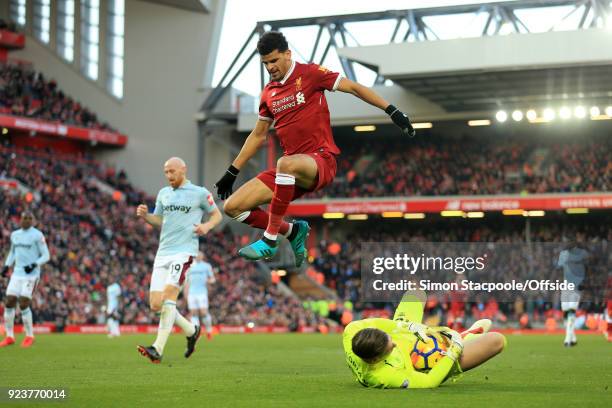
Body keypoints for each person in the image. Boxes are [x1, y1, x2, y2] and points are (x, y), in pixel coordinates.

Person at [215, 31, 415, 265]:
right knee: (232, 207)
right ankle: (292, 232)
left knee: (285, 163)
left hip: (320, 161)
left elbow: (353, 87)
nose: (270, 67)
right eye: (265, 63)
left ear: (287, 54)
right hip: (289, 172)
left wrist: (391, 110)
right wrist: (232, 171)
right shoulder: (268, 93)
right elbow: (258, 134)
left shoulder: (310, 73)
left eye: (274, 60)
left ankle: (269, 240)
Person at [135, 157, 222, 363]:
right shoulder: (164, 194)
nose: (169, 176)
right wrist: (146, 216)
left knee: (169, 297)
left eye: (172, 172)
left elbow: (217, 215)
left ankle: (157, 348)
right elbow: (159, 220)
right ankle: (192, 330)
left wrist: (206, 227)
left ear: (183, 170)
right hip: (163, 252)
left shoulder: (200, 193)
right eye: (166, 172)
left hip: (184, 252)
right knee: (156, 305)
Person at [343, 291, 506, 389]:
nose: (393, 344)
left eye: (388, 338)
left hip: (405, 334)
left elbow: (381, 323)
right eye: (390, 348)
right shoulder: (384, 376)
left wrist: (411, 327)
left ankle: (451, 337)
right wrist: (454, 350)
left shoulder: (352, 331)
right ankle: (463, 338)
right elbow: (429, 382)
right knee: (497, 341)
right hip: (418, 362)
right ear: (376, 359)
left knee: (416, 293)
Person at [1, 211, 50, 348]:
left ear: (33, 220)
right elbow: (12, 252)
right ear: (20, 220)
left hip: (31, 275)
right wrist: (6, 265)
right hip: (17, 273)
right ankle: (10, 336)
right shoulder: (15, 235)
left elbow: (46, 255)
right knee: (9, 301)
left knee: (23, 303)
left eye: (30, 218)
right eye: (25, 218)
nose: (27, 220)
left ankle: (29, 336)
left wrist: (34, 264)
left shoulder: (37, 235)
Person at [557, 238, 589, 347]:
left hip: (576, 287)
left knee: (571, 312)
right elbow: (558, 268)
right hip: (566, 286)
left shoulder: (582, 254)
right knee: (566, 314)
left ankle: (567, 339)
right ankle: (573, 337)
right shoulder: (563, 254)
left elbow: (587, 267)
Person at [185, 251, 215, 340]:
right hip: (191, 293)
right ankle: (197, 333)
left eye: (200, 255)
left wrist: (209, 281)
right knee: (193, 313)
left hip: (202, 293)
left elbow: (213, 279)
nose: (198, 257)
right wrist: (186, 294)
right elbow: (187, 282)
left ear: (202, 257)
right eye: (197, 255)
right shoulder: (190, 266)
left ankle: (209, 331)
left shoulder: (206, 266)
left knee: (204, 312)